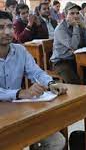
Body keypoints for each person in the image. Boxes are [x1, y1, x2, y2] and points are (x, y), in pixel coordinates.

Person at [0, 10, 67, 149]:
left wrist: (50, 83)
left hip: (17, 112)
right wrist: (19, 93)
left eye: (10, 27)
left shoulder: (20, 51)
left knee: (56, 142)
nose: (7, 32)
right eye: (1, 28)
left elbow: (35, 71)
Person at [50, 2, 86, 84]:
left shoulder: (79, 25)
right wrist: (75, 27)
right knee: (75, 83)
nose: (76, 16)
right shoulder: (60, 29)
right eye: (72, 13)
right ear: (65, 15)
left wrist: (85, 28)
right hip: (61, 61)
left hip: (76, 58)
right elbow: (73, 46)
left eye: (77, 13)